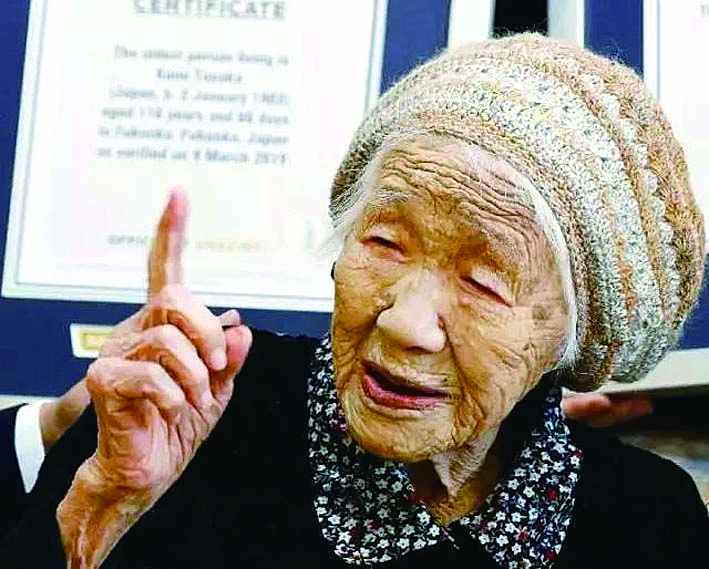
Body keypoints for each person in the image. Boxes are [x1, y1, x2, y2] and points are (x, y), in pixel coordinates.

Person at [2, 34, 707, 568]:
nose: (403, 322)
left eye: (482, 283)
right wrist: (101, 508)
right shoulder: (188, 416)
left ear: (571, 335)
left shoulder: (649, 520)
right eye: (385, 241)